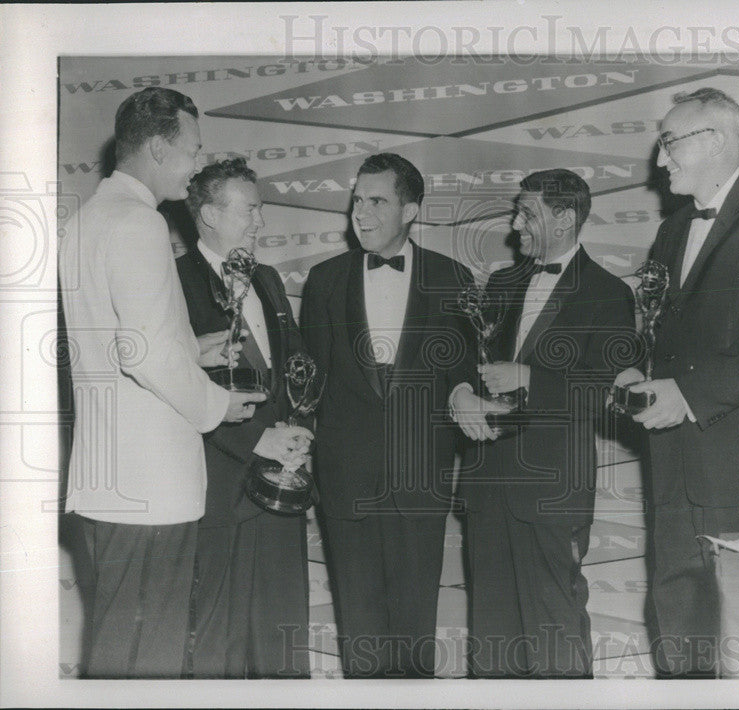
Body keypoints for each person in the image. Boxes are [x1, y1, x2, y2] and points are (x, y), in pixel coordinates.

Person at [58, 87, 265, 678]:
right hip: (149, 491)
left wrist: (191, 350)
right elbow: (145, 356)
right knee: (147, 660)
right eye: (192, 149)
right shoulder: (139, 223)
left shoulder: (87, 220)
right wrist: (217, 403)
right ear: (156, 147)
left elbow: (121, 344)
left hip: (110, 484)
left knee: (120, 647)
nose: (197, 162)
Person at [613, 87, 739, 678]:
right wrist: (641, 370)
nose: (660, 160)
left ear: (718, 141)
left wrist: (689, 396)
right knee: (679, 627)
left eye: (670, 142)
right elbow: (666, 334)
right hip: (674, 465)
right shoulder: (674, 229)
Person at [451, 168, 636, 678]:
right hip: (487, 483)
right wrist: (461, 393)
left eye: (527, 213)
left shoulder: (609, 292)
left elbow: (605, 391)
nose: (515, 224)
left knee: (555, 634)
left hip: (551, 492)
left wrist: (530, 376)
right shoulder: (502, 282)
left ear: (565, 218)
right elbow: (469, 361)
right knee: (491, 640)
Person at [299, 153, 475, 678]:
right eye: (357, 200)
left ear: (411, 210)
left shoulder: (453, 277)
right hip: (346, 479)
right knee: (360, 630)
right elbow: (308, 385)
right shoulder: (324, 279)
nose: (361, 212)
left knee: (416, 625)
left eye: (377, 201)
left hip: (420, 480)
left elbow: (463, 375)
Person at [175, 158, 313, 678]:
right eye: (250, 210)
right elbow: (180, 388)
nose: (261, 222)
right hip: (219, 484)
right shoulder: (174, 282)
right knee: (218, 643)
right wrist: (258, 440)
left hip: (282, 483)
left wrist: (299, 434)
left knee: (283, 635)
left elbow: (294, 366)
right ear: (209, 213)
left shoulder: (269, 279)